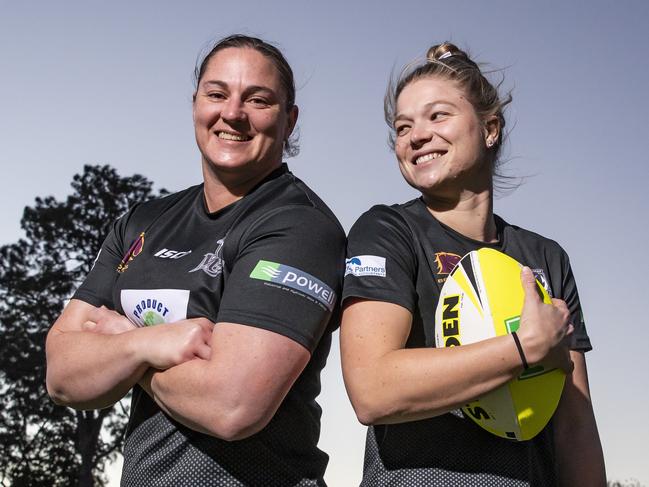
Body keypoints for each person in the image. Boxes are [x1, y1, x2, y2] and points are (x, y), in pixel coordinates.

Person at [45, 34, 345, 486]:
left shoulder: (299, 226)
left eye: (258, 100)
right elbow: (62, 375)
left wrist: (121, 344)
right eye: (217, 93)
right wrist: (147, 344)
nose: (232, 113)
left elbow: (232, 407)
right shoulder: (141, 223)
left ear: (289, 120)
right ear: (195, 105)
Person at [340, 42, 605, 486]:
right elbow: (372, 390)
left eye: (437, 116)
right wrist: (522, 349)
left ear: (490, 129)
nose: (416, 136)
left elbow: (575, 425)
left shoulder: (546, 258)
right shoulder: (386, 231)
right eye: (402, 126)